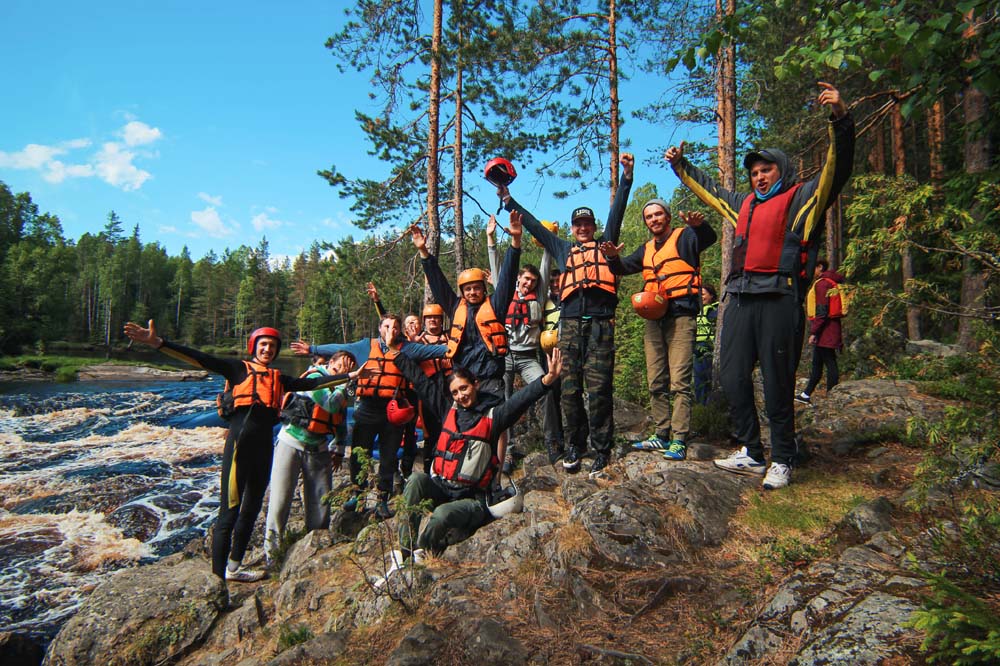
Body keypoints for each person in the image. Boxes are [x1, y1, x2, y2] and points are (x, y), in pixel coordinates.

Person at [665, 81, 855, 489]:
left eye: (765, 169)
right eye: (753, 172)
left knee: (777, 380)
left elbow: (837, 171)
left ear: (781, 171)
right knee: (732, 375)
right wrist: (680, 166)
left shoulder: (805, 197)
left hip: (780, 298)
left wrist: (840, 119)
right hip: (741, 298)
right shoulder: (743, 205)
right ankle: (752, 451)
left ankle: (782, 458)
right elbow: (712, 192)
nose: (758, 176)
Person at [122, 321, 353, 582]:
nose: (268, 349)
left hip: (263, 449)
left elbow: (312, 386)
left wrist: (350, 377)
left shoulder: (279, 378)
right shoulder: (236, 369)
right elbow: (201, 359)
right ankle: (216, 580)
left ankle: (233, 567)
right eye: (263, 345)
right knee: (229, 513)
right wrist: (159, 343)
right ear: (254, 347)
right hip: (239, 448)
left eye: (272, 346)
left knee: (251, 509)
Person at [499, 152, 635, 476]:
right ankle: (575, 444)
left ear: (594, 226)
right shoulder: (562, 249)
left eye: (588, 223)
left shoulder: (606, 244)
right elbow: (533, 223)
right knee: (570, 389)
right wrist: (508, 200)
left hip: (601, 325)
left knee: (600, 390)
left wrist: (626, 178)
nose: (584, 228)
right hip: (571, 326)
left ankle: (602, 448)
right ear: (573, 228)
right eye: (579, 224)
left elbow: (617, 212)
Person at [393, 347, 563, 560]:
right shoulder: (449, 410)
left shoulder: (494, 416)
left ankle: (423, 552)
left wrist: (547, 379)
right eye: (455, 392)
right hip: (442, 488)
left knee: (441, 515)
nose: (461, 395)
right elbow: (421, 382)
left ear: (475, 384)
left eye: (464, 388)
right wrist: (396, 353)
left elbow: (521, 400)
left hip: (474, 500)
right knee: (417, 479)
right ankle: (404, 553)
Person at [291, 315, 447, 518]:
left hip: (391, 410)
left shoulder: (407, 348)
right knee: (358, 453)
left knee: (388, 457)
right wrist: (312, 349)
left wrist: (453, 346)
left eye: (396, 327)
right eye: (388, 326)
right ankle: (358, 495)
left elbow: (434, 350)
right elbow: (339, 347)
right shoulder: (365, 346)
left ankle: (383, 498)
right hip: (366, 407)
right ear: (380, 328)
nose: (392, 330)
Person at [602, 204, 717, 460]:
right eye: (649, 216)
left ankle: (678, 438)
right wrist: (611, 257)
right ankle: (661, 432)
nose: (654, 219)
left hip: (681, 316)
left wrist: (700, 226)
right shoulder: (646, 249)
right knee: (656, 379)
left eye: (658, 214)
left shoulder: (686, 236)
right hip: (654, 319)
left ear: (667, 217)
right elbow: (621, 268)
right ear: (645, 221)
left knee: (679, 381)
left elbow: (709, 238)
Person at [410, 211, 523, 398]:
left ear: (484, 289)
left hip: (490, 380)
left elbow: (508, 278)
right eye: (467, 289)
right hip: (463, 382)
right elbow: (438, 284)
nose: (472, 292)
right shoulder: (455, 308)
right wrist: (424, 252)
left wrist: (515, 243)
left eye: (476, 288)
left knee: (492, 425)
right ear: (462, 292)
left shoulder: (496, 305)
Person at [264, 351, 356, 561]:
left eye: (347, 369)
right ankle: (272, 554)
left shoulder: (342, 387)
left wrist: (339, 448)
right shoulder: (315, 378)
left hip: (319, 446)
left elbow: (339, 418)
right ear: (330, 363)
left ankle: (316, 548)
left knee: (321, 501)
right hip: (291, 442)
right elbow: (330, 404)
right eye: (338, 367)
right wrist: (345, 381)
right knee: (280, 500)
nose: (342, 372)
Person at [797, 259, 845, 405]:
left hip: (826, 330)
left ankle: (832, 395)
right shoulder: (828, 282)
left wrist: (814, 332)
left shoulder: (823, 284)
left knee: (829, 362)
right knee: (817, 363)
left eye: (814, 268)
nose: (812, 271)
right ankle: (806, 394)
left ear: (820, 267)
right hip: (829, 329)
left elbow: (822, 311)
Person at [694, 284, 719, 405]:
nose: (700, 297)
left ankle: (710, 408)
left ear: (712, 296)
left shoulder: (715, 311)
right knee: (699, 382)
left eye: (703, 294)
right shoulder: (695, 311)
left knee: (709, 380)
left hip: (708, 348)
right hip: (696, 349)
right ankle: (702, 408)